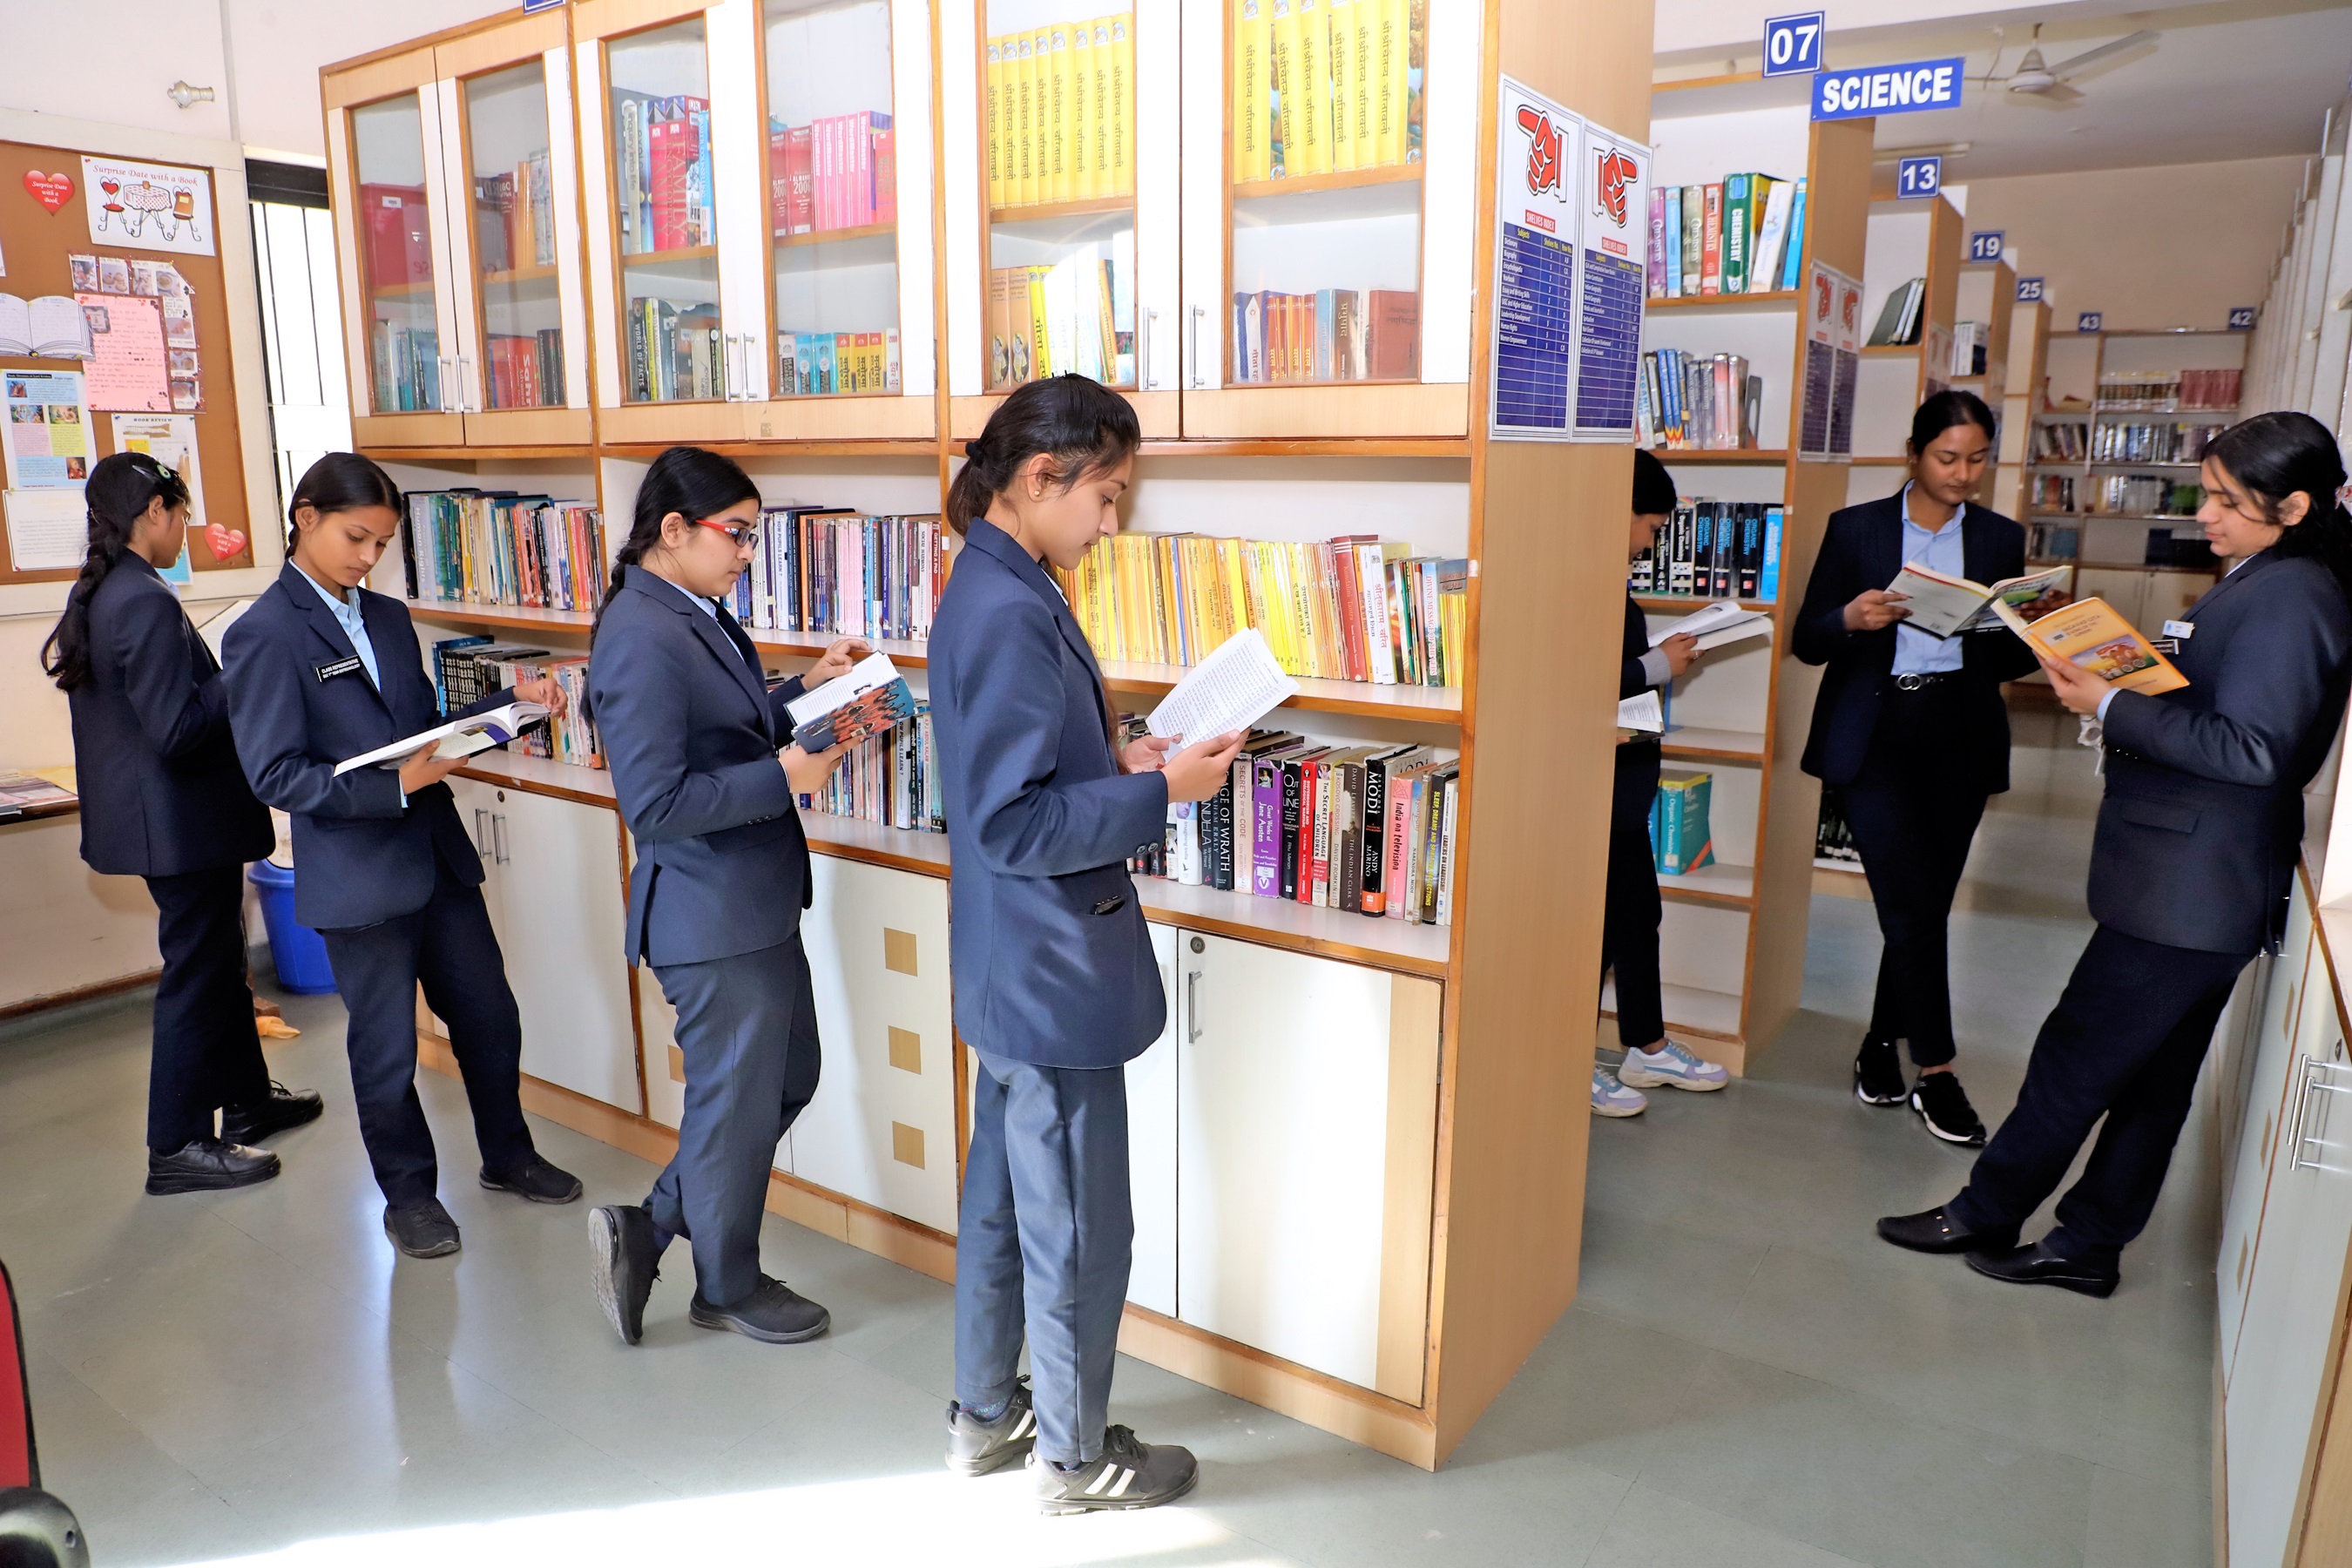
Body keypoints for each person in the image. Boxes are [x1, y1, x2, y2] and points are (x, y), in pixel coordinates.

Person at [1882, 410, 2352, 1296]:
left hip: (2189, 886)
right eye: (2207, 494)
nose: (2204, 516)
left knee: (2077, 1055)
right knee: (2153, 1080)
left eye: (2226, 501)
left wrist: (2110, 704)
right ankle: (2089, 1243)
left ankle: (1987, 1210)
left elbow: (2255, 750)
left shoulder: (2291, 596)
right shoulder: (2275, 577)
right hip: (2202, 885)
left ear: (2293, 507)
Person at [930, 376, 1242, 1513]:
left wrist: (1119, 763)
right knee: (1078, 1226)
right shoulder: (1011, 609)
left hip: (1011, 967)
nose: (1111, 523)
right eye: (1104, 497)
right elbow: (1013, 824)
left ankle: (985, 1415)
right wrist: (1161, 791)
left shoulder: (996, 580)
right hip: (1049, 970)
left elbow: (1017, 778)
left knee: (1005, 1206)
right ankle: (1071, 1459)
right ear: (1037, 478)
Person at [222, 453, 581, 1259]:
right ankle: (409, 1197)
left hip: (437, 858)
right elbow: (276, 774)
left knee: (490, 1019)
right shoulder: (264, 634)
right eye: (356, 537)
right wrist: (393, 787)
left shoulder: (387, 617)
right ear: (305, 518)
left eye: (381, 544)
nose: (368, 556)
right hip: (360, 877)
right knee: (386, 1053)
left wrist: (509, 706)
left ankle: (508, 1155)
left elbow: (421, 729)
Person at [583, 447, 866, 1348]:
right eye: (737, 535)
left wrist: (806, 689)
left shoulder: (693, 610)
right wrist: (786, 775)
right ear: (674, 530)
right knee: (736, 1100)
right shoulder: (640, 633)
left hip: (753, 902)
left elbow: (724, 733)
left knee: (783, 1079)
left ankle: (651, 1226)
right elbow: (657, 804)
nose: (748, 553)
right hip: (709, 915)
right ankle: (727, 1284)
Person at [40, 452, 322, 1194]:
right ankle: (176, 1144)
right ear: (154, 513)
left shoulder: (109, 589)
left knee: (220, 963)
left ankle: (248, 1103)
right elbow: (178, 730)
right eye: (180, 514)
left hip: (171, 822)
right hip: (177, 826)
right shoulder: (141, 599)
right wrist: (238, 671)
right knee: (197, 977)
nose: (184, 529)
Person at [1794, 389, 2039, 1145]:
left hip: (1959, 735)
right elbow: (1807, 638)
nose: (1962, 474)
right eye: (1947, 458)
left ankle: (1879, 1042)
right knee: (1907, 904)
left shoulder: (1999, 538)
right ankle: (1937, 1069)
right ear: (1914, 454)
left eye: (1977, 459)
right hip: (1876, 734)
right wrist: (1849, 618)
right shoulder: (1857, 529)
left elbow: (2009, 661)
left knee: (1922, 905)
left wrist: (2026, 624)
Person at [1595, 449, 1732, 1116]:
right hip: (1596, 787)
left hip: (1622, 785)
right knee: (1598, 928)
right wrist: (1657, 665)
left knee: (1634, 917)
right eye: (1650, 527)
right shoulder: (1583, 582)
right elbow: (1581, 678)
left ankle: (1645, 1045)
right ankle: (1573, 1057)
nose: (1651, 543)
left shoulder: (1607, 580)